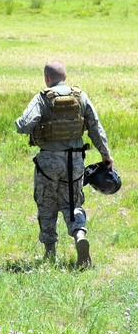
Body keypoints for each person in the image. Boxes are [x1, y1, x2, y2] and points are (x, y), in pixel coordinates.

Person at [15, 60, 113, 267]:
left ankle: (50, 253)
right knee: (73, 203)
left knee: (46, 205)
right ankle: (79, 234)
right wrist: (106, 155)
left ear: (47, 79)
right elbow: (95, 127)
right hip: (75, 162)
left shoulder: (42, 98)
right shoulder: (80, 96)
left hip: (48, 163)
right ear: (65, 77)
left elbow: (24, 126)